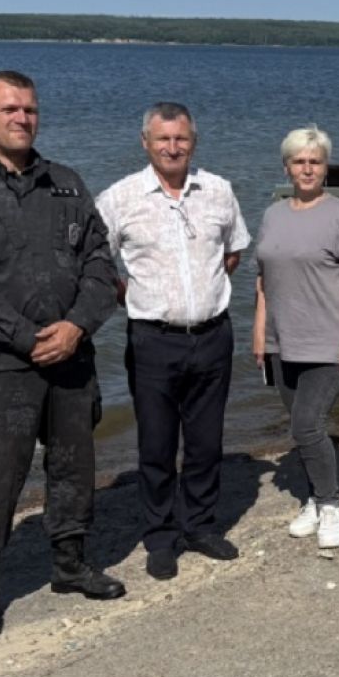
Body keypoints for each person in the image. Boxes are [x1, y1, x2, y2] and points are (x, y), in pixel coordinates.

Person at [0, 71, 123, 642]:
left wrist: (77, 325)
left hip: (71, 357)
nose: (21, 118)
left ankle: (70, 563)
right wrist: (26, 337)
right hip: (0, 367)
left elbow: (100, 264)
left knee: (73, 466)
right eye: (9, 109)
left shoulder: (67, 184)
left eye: (29, 109)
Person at [96, 102, 251, 580]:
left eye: (181, 138)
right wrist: (130, 295)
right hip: (152, 340)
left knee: (205, 443)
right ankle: (160, 537)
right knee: (157, 445)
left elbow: (234, 252)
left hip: (212, 336)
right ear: (145, 143)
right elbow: (95, 260)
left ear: (193, 142)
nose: (172, 147)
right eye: (162, 139)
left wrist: (203, 294)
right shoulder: (120, 198)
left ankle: (200, 526)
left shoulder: (218, 190)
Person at [253, 126, 339, 548]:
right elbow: (263, 279)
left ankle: (330, 504)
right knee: (300, 426)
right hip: (281, 341)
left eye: (315, 162)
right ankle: (314, 499)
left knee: (307, 424)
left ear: (325, 167)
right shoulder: (273, 215)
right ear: (286, 167)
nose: (307, 169)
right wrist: (259, 332)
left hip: (328, 342)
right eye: (299, 161)